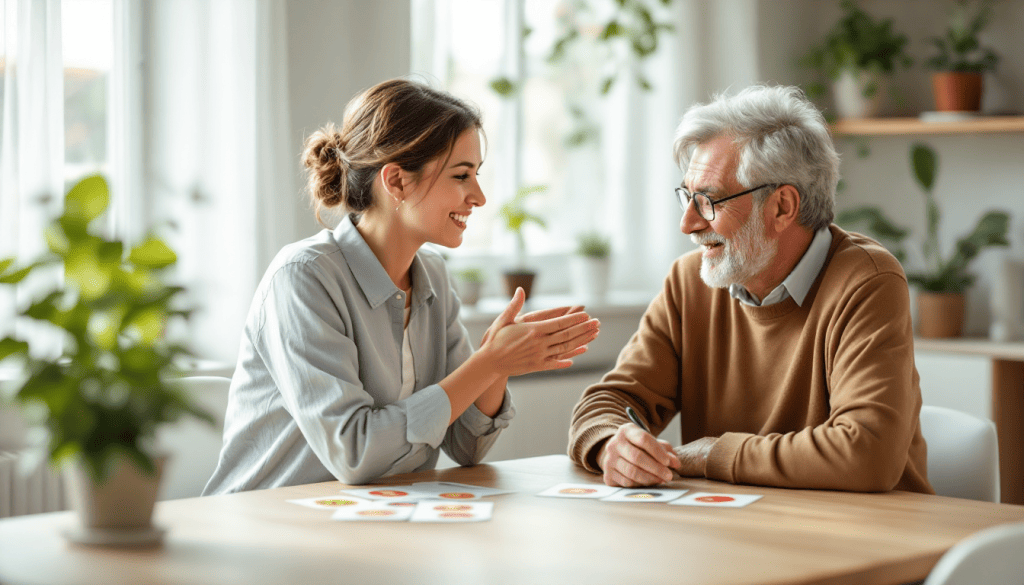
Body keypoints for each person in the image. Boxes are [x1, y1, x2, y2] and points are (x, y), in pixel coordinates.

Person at [204, 79, 600, 494]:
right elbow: (354, 454)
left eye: (477, 175)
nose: (479, 197)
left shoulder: (432, 276)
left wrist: (495, 366)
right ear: (395, 181)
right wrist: (484, 365)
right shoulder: (302, 278)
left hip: (371, 523)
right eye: (462, 175)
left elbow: (467, 446)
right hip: (266, 524)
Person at [568, 85, 933, 494]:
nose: (687, 223)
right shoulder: (690, 282)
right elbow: (606, 405)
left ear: (781, 207)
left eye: (708, 201)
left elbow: (867, 453)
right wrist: (611, 445)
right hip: (740, 533)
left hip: (875, 535)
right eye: (687, 197)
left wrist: (711, 455)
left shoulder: (866, 281)